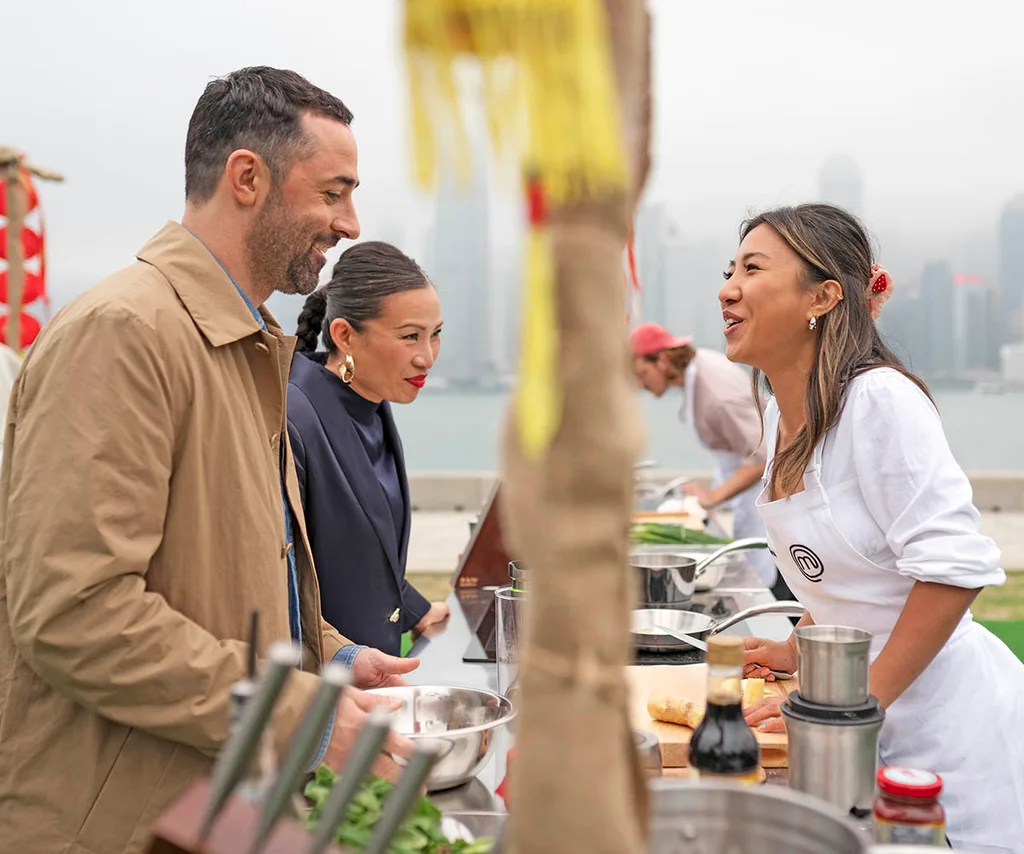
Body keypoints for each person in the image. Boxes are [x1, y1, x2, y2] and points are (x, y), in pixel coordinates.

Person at [0, 67, 419, 854]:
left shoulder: (243, 346)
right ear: (248, 178)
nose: (350, 222)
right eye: (334, 193)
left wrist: (335, 657)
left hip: (216, 811)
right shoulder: (124, 334)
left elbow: (225, 584)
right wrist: (303, 715)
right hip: (117, 823)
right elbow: (74, 613)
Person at [723, 203, 1024, 853]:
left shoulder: (880, 401)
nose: (728, 287)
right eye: (729, 270)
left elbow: (953, 569)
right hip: (864, 731)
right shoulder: (781, 419)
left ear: (823, 297)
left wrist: (855, 708)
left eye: (752, 268)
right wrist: (797, 648)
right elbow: (853, 580)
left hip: (946, 738)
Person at [288, 241, 450, 656]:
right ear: (344, 335)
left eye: (435, 336)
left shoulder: (370, 402)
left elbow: (359, 553)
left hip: (376, 681)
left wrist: (415, 610)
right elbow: (284, 583)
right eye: (410, 336)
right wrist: (344, 661)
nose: (426, 358)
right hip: (323, 692)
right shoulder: (295, 419)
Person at [630, 323, 785, 593]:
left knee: (768, 585)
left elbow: (764, 457)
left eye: (642, 374)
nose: (641, 385)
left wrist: (714, 496)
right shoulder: (696, 372)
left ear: (663, 360)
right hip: (744, 495)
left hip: (762, 497)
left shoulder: (715, 391)